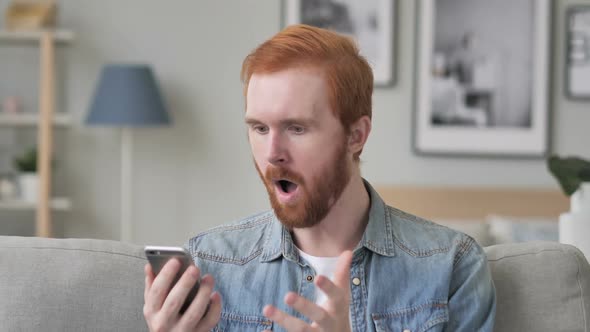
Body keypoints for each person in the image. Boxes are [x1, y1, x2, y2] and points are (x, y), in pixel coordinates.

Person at [143, 24, 496, 332]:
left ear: (356, 135)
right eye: (259, 128)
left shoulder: (452, 266)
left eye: (296, 128)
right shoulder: (209, 265)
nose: (272, 152)